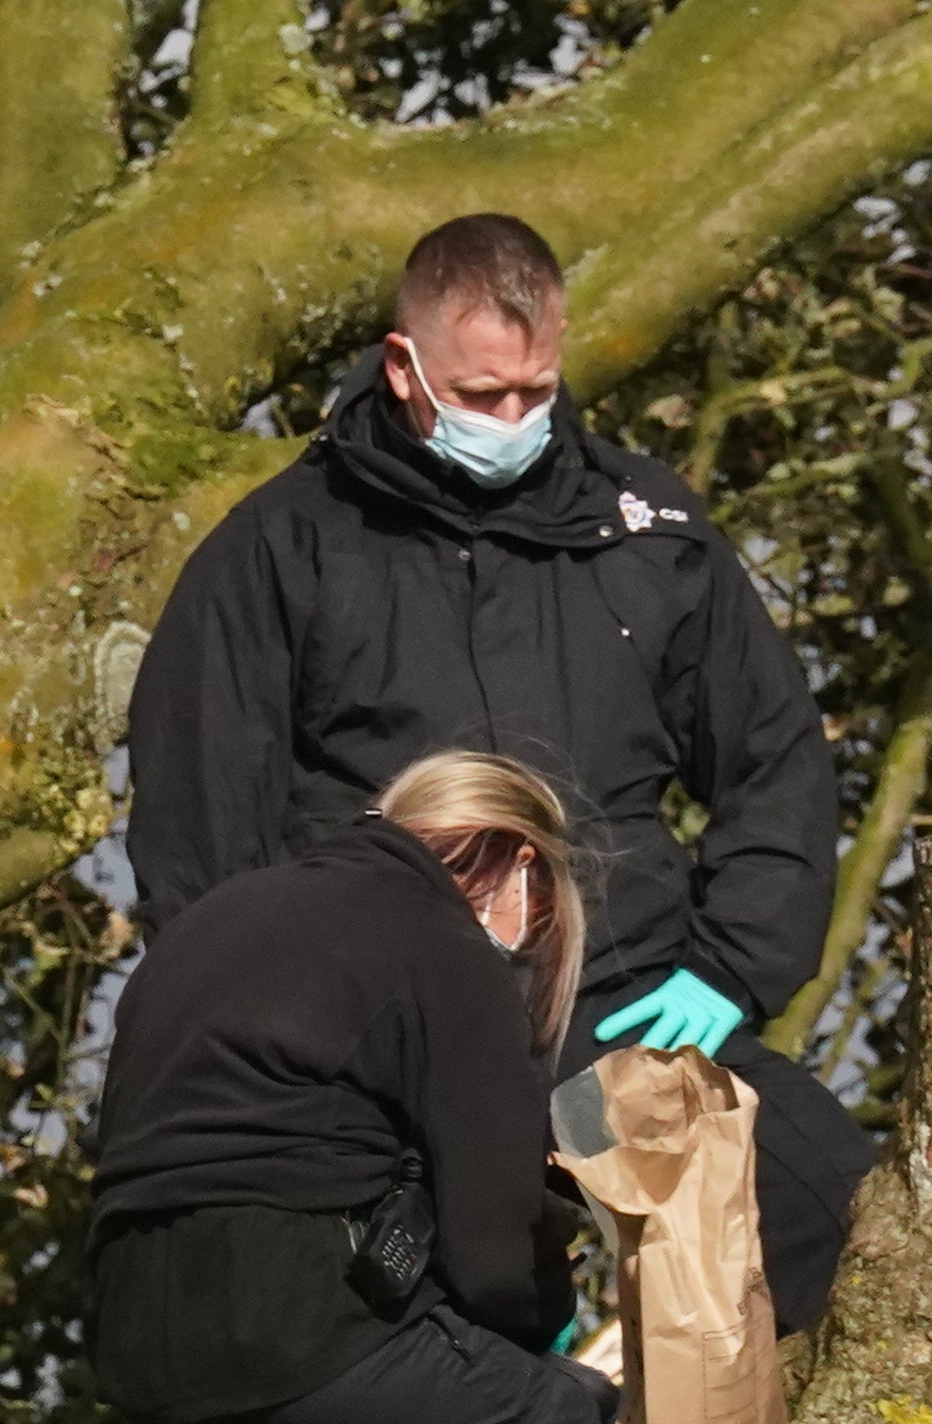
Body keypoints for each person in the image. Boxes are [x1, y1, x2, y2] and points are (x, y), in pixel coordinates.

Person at [121, 210, 877, 1328]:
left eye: (537, 389)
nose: (515, 419)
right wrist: (279, 1036)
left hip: (625, 1011)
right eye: (483, 397)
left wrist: (731, 970)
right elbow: (202, 827)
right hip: (376, 1037)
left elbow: (774, 758)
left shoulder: (649, 534)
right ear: (404, 366)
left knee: (837, 1214)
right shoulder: (278, 549)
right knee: (392, 1322)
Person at [88, 750, 607, 1424]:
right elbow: (496, 1256)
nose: (531, 941)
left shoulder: (224, 912)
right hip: (305, 1336)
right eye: (544, 915)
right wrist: (550, 1332)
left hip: (135, 1346)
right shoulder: (444, 945)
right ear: (520, 863)